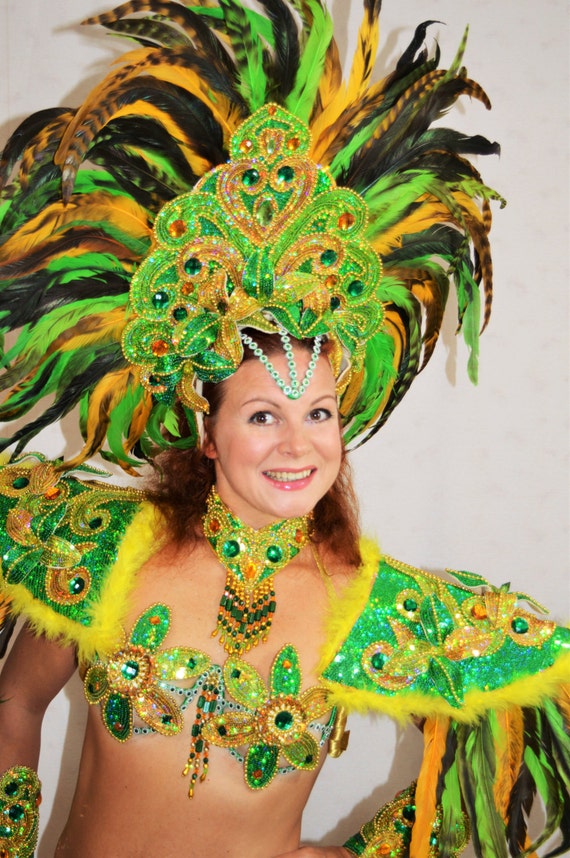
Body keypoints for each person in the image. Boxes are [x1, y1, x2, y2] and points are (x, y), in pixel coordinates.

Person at [0, 2, 568, 857]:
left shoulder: (365, 602)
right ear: (208, 428)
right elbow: (14, 702)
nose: (298, 445)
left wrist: (368, 851)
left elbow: (539, 709)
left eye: (320, 414)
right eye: (263, 414)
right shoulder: (101, 551)